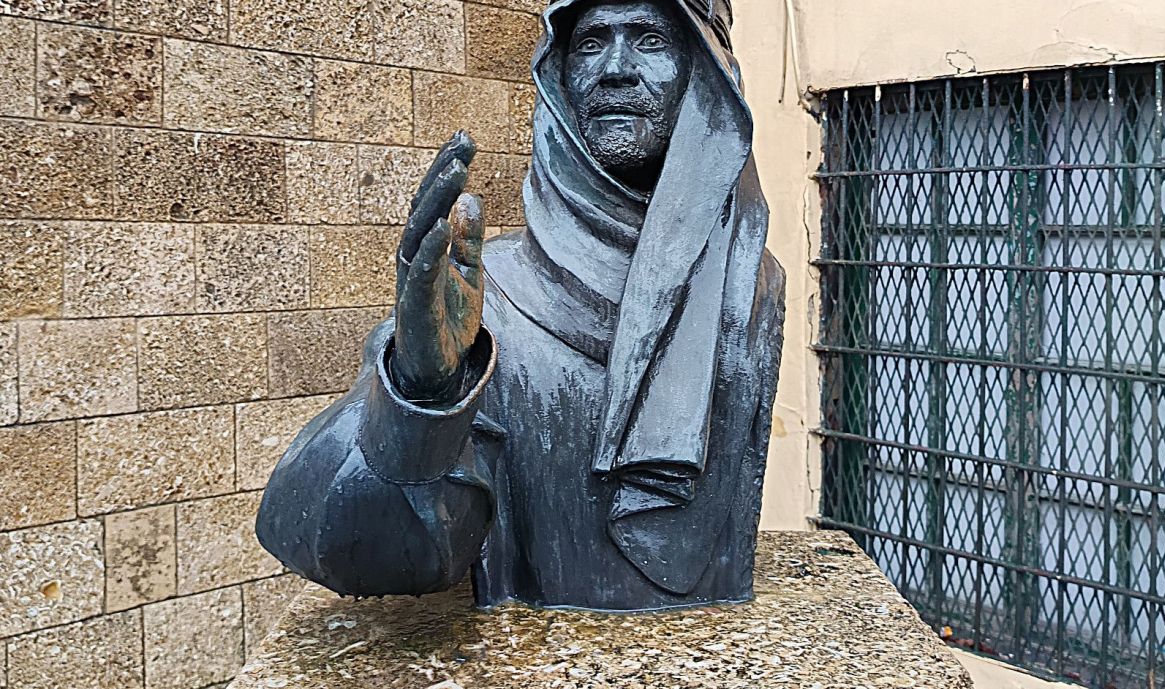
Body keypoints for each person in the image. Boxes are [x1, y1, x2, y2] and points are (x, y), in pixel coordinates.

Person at [256, 0, 786, 612]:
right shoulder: (488, 293)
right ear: (558, 74)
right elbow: (334, 541)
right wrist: (422, 396)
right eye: (590, 43)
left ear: (705, 72)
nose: (614, 67)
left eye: (648, 39)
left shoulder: (756, 285)